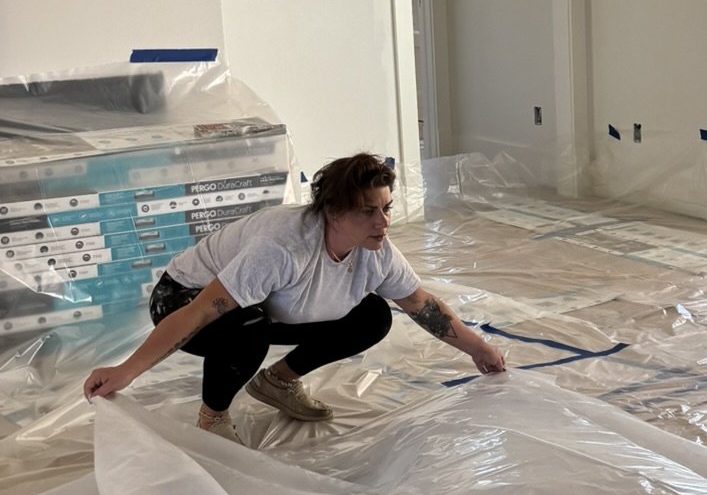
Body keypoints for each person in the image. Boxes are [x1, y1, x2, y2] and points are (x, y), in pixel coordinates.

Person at [82, 152, 505, 440]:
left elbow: (422, 305)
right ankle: (212, 416)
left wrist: (478, 348)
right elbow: (196, 313)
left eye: (387, 208)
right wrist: (127, 371)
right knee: (248, 329)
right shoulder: (282, 247)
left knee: (374, 315)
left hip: (268, 305)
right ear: (333, 211)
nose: (383, 222)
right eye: (368, 211)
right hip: (182, 297)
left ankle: (278, 381)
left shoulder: (376, 253)